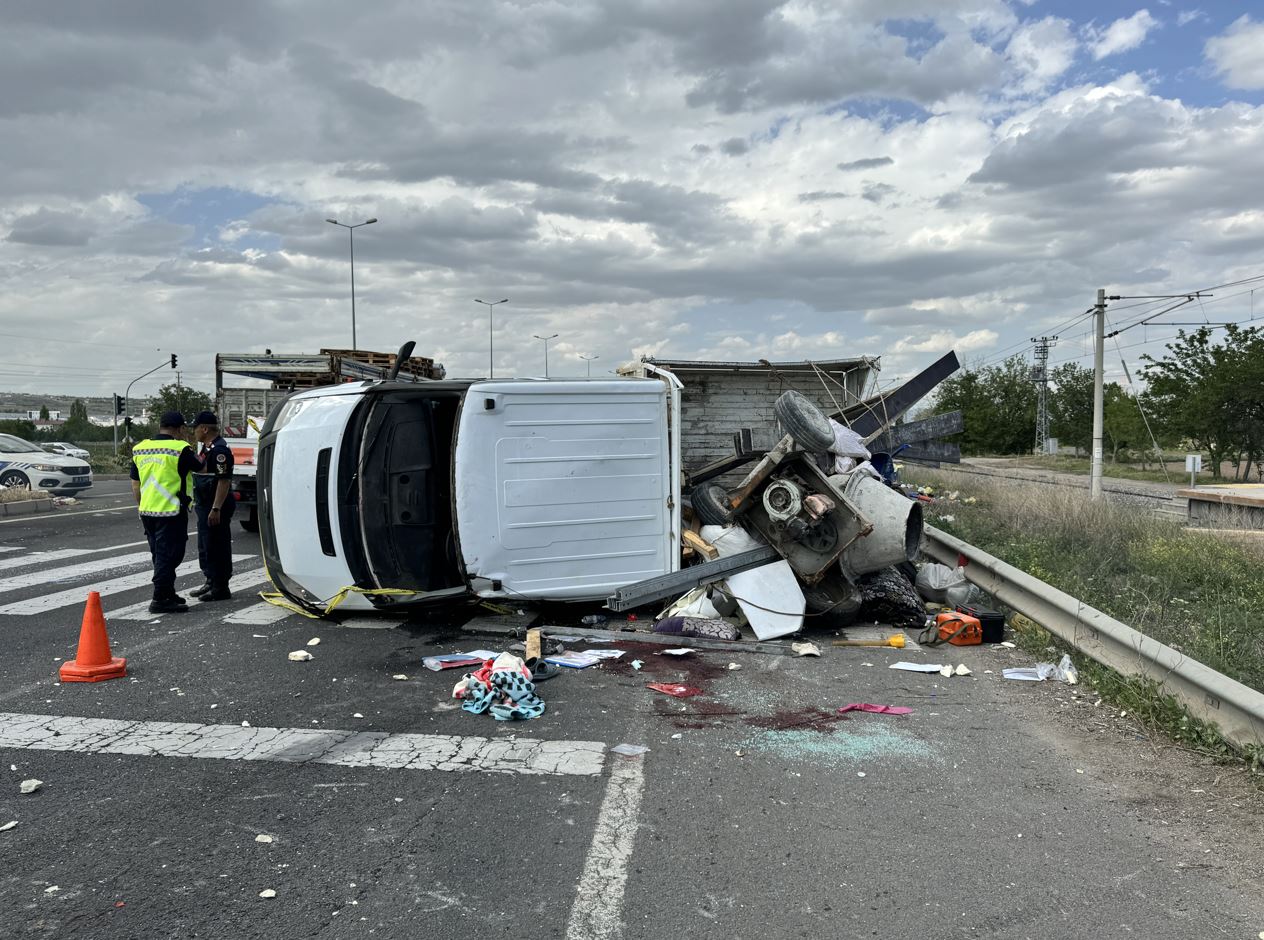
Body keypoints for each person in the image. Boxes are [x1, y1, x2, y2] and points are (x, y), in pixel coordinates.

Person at [131, 412, 200, 614]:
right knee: (169, 555)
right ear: (179, 429)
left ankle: (168, 592)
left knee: (159, 554)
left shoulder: (140, 448)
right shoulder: (180, 449)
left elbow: (135, 484)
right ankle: (160, 598)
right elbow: (202, 467)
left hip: (147, 511)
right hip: (171, 511)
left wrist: (142, 505)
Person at [190, 410, 236, 602]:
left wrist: (216, 508)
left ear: (204, 429)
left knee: (217, 545)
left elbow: (224, 480)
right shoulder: (207, 448)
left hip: (215, 506)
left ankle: (220, 587)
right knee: (206, 545)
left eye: (195, 428)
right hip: (205, 504)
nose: (194, 432)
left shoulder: (219, 451)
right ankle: (210, 580)